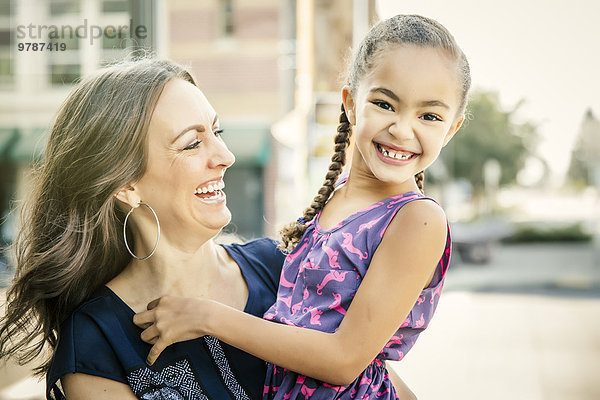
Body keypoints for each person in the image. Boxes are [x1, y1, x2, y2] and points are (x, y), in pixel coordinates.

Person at [0, 58, 416, 400]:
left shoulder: (282, 267)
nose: (226, 156)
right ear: (126, 186)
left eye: (216, 131)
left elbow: (387, 390)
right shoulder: (96, 340)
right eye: (191, 143)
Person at [133, 14, 471, 400]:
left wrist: (206, 316)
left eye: (429, 116)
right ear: (350, 103)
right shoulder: (337, 197)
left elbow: (344, 361)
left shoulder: (418, 219)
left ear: (452, 128)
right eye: (384, 104)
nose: (402, 129)